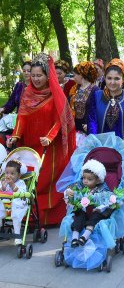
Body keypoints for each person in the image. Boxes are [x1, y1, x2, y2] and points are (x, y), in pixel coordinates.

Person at [7, 53, 76, 225]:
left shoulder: (55, 94)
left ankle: (49, 217)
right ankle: (26, 215)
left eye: (40, 75)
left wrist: (49, 137)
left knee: (45, 179)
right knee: (29, 179)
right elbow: (21, 117)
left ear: (47, 76)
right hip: (29, 145)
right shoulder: (27, 93)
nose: (36, 79)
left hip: (49, 147)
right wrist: (15, 135)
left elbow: (60, 120)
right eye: (33, 75)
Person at [88, 58, 124, 146]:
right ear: (105, 78)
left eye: (117, 78)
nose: (112, 82)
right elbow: (92, 120)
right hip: (100, 145)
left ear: (123, 79)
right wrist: (94, 139)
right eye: (109, 78)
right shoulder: (97, 96)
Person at [64, 159, 114, 247]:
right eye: (84, 178)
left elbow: (108, 201)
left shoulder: (103, 188)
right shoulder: (80, 184)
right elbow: (71, 188)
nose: (85, 181)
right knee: (78, 216)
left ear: (98, 181)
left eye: (89, 179)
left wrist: (100, 207)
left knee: (95, 217)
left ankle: (84, 237)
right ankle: (74, 238)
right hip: (83, 211)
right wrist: (69, 191)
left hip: (96, 211)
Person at [0, 160, 28, 245]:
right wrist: (3, 187)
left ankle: (17, 236)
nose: (9, 176)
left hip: (18, 206)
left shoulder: (21, 183)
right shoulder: (4, 182)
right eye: (7, 173)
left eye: (12, 174)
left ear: (19, 175)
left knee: (16, 215)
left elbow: (21, 194)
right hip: (5, 206)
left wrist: (12, 185)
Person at [69, 62, 99, 135]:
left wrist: (91, 126)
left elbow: (97, 111)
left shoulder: (95, 90)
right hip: (74, 127)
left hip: (87, 129)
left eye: (75, 75)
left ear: (81, 75)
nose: (74, 77)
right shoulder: (74, 89)